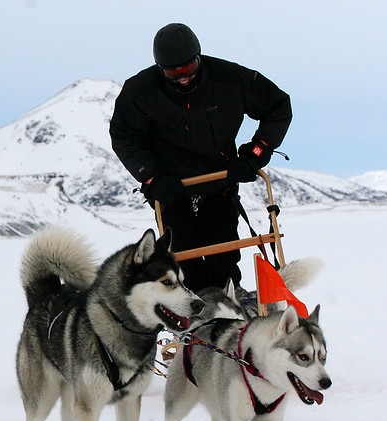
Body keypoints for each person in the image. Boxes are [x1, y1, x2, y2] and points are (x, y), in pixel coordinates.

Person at [110, 23, 292, 292]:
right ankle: (191, 317)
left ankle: (229, 306)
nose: (183, 77)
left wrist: (254, 155)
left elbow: (277, 106)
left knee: (223, 253)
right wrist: (151, 176)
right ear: (160, 68)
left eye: (188, 69)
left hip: (219, 180)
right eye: (173, 72)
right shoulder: (140, 92)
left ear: (199, 58)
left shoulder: (229, 78)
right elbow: (125, 136)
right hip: (170, 186)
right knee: (183, 258)